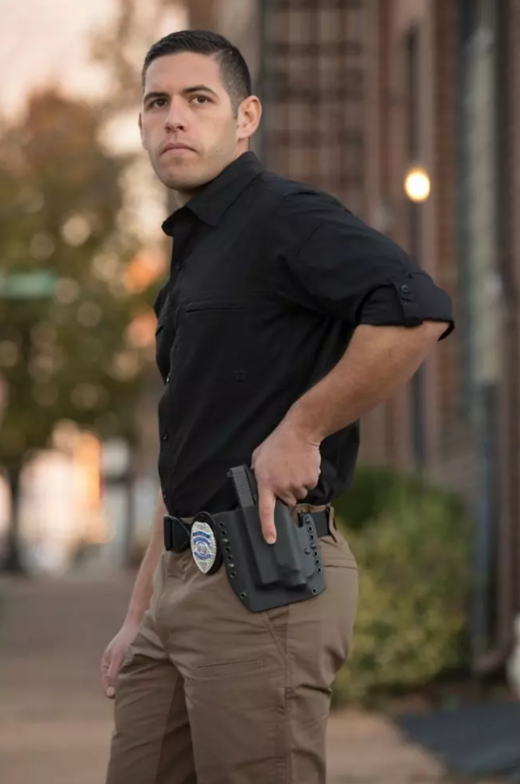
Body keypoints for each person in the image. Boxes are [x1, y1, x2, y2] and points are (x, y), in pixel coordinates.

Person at [101, 29, 453, 784]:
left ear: (246, 117)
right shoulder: (196, 250)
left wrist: (303, 427)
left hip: (261, 584)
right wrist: (139, 613)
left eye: (199, 99)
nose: (174, 118)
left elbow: (416, 310)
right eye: (157, 103)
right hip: (176, 587)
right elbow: (188, 447)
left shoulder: (283, 216)